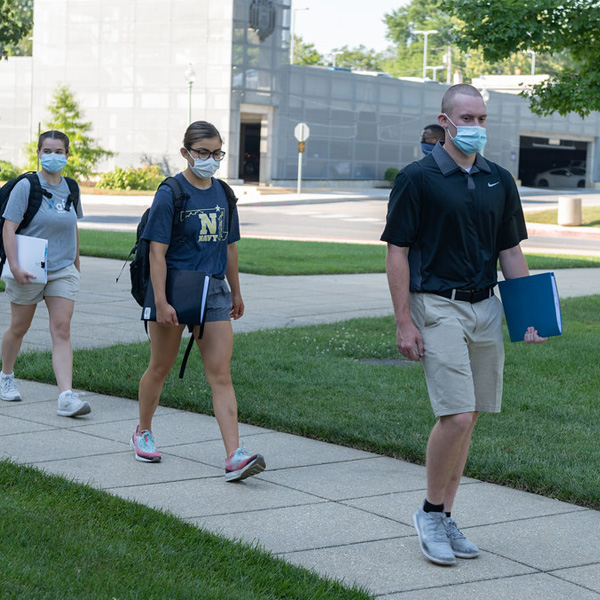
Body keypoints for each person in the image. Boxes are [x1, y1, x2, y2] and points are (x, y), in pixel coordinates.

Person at [381, 84, 546, 566]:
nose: (475, 126)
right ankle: (430, 513)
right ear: (445, 120)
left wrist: (527, 314)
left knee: (469, 417)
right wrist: (403, 321)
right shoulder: (418, 178)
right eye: (466, 118)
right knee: (454, 415)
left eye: (482, 118)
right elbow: (397, 252)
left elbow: (510, 251)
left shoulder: (500, 179)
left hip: (485, 307)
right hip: (436, 305)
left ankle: (447, 516)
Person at [131, 120, 265, 482]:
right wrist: (160, 301)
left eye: (216, 152)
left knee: (221, 374)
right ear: (186, 152)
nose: (209, 159)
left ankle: (234, 455)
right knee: (160, 367)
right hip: (174, 289)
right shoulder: (170, 193)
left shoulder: (223, 192)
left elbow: (230, 246)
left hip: (215, 291)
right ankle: (143, 430)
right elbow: (156, 253)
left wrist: (236, 291)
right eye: (202, 152)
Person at [1, 130, 90, 417]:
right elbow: (9, 228)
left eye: (59, 151)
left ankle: (66, 396)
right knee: (19, 327)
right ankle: (6, 375)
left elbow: (72, 225)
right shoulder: (26, 186)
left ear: (67, 154)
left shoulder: (72, 187)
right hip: (27, 266)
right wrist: (14, 266)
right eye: (47, 151)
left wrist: (76, 261)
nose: (53, 156)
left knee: (62, 329)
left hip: (62, 269)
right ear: (39, 153)